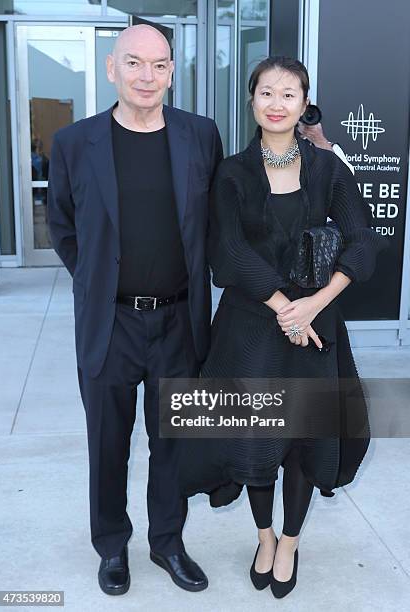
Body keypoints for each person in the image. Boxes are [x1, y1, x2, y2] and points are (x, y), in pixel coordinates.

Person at [178, 56, 387, 598]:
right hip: (252, 328)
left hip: (316, 331)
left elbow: (362, 243)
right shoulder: (233, 172)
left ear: (303, 102)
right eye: (266, 93)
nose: (276, 104)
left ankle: (290, 541)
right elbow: (226, 252)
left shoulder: (329, 169)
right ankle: (265, 536)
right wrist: (284, 307)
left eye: (288, 94)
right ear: (252, 100)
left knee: (304, 442)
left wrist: (315, 303)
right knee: (257, 439)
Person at [47, 24, 223, 596]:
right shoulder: (76, 143)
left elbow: (218, 220)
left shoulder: (201, 136)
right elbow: (63, 226)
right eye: (134, 63)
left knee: (172, 440)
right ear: (111, 69)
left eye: (159, 64)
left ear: (173, 71)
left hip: (179, 319)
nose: (147, 76)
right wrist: (98, 284)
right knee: (108, 442)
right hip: (110, 322)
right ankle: (112, 547)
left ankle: (167, 543)